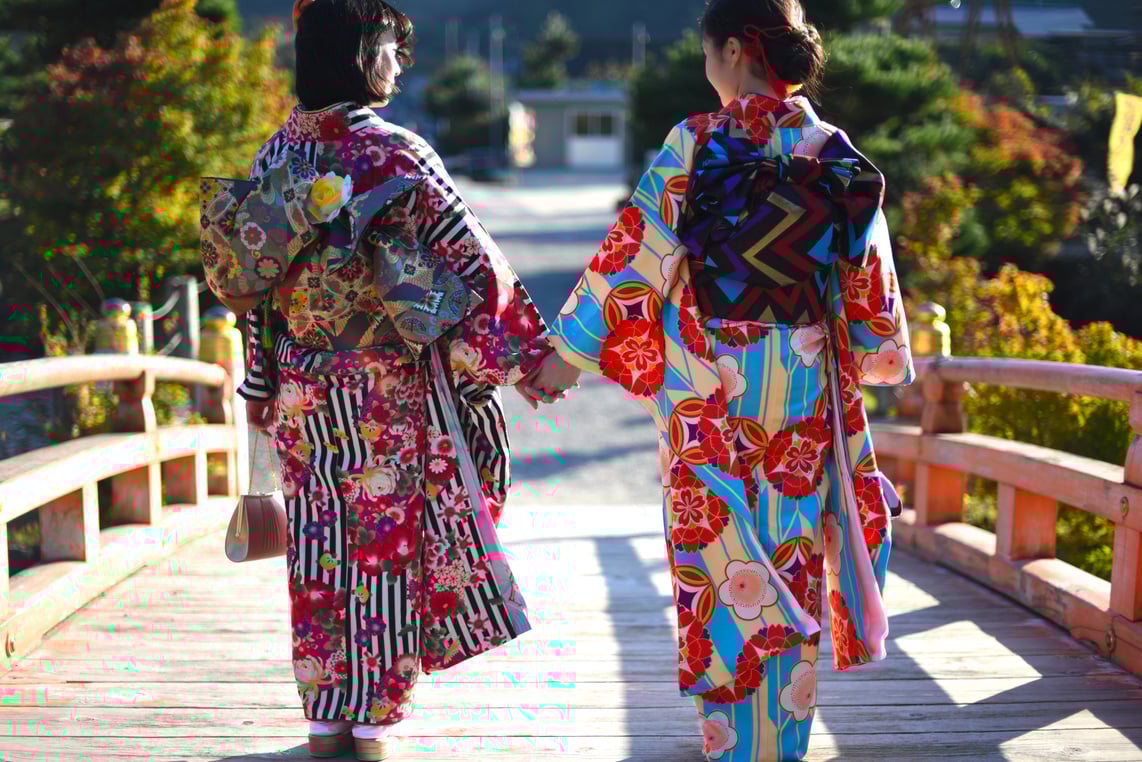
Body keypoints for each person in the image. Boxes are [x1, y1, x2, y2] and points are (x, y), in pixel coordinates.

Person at [529, 0, 915, 758]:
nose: (707, 65)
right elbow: (870, 291)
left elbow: (633, 261)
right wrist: (877, 355)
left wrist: (562, 358)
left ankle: (730, 744)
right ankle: (784, 742)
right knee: (792, 555)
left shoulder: (695, 143)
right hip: (801, 376)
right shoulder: (835, 153)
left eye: (709, 51)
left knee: (720, 560)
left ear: (736, 50)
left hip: (709, 383)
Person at [200, 0, 565, 758]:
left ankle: (324, 716)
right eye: (393, 49)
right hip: (383, 387)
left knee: (319, 547)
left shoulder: (277, 156)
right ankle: (370, 726)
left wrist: (263, 385)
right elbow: (470, 263)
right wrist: (527, 360)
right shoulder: (398, 154)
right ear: (365, 53)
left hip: (304, 385)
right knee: (384, 549)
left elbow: (257, 289)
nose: (400, 64)